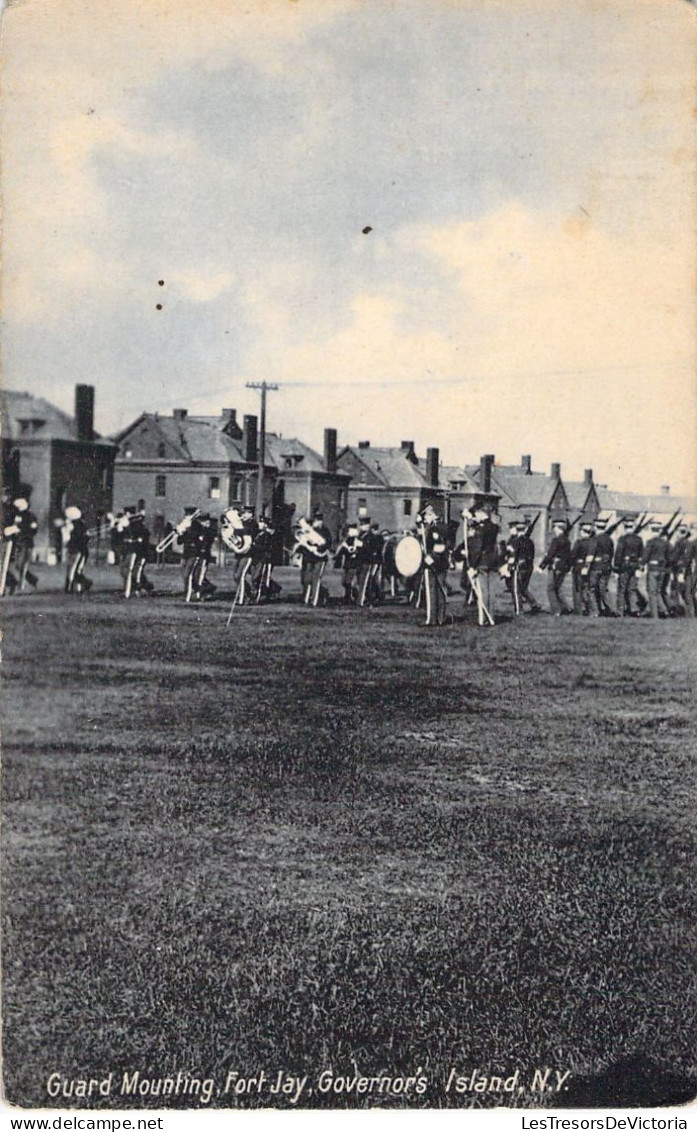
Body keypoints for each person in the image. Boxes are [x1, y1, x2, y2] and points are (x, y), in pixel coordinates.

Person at [453, 507, 499, 625]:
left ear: (480, 514)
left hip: (482, 563)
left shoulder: (480, 529)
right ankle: (491, 617)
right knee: (491, 592)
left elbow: (477, 548)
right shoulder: (494, 527)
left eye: (476, 515)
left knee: (483, 591)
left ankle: (483, 619)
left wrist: (472, 566)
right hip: (492, 562)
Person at [416, 503, 449, 626]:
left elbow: (440, 546)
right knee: (439, 590)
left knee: (432, 591)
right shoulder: (440, 527)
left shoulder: (436, 528)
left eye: (426, 517)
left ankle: (431, 619)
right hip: (441, 563)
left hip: (433, 562)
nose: (425, 520)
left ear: (431, 515)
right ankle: (440, 618)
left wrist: (431, 557)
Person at [501, 519, 542, 614]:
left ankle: (519, 609)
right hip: (528, 567)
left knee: (516, 589)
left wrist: (508, 566)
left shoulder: (515, 542)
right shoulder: (530, 541)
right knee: (523, 588)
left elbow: (513, 556)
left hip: (518, 568)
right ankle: (534, 604)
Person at [613, 515, 647, 617]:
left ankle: (620, 611)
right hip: (635, 567)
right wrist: (641, 568)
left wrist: (616, 568)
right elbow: (642, 555)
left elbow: (618, 555)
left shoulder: (622, 539)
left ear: (624, 526)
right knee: (632, 589)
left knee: (622, 589)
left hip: (624, 567)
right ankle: (634, 609)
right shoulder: (639, 539)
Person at [539, 518, 572, 615]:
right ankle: (566, 607)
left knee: (551, 588)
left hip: (555, 566)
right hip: (563, 567)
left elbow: (550, 554)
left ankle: (556, 610)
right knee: (558, 588)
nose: (554, 529)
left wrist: (542, 566)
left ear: (558, 528)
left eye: (555, 527)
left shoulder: (556, 540)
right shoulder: (567, 541)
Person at [297, 512, 332, 606]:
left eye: (318, 520)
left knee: (316, 578)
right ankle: (308, 598)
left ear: (321, 521)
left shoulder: (325, 531)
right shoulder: (310, 530)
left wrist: (318, 548)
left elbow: (328, 544)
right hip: (310, 557)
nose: (317, 522)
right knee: (307, 579)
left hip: (320, 558)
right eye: (316, 520)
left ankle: (314, 601)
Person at [641, 518, 670, 619]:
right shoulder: (665, 543)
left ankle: (655, 615)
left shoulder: (650, 542)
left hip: (653, 568)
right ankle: (664, 610)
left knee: (652, 592)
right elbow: (669, 557)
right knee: (657, 591)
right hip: (662, 569)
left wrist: (641, 565)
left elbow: (645, 556)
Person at [64, 506, 92, 594]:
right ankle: (78, 586)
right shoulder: (82, 525)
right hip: (80, 550)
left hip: (77, 550)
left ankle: (72, 586)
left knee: (72, 569)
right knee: (75, 569)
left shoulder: (72, 525)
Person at [13, 498, 39, 591]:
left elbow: (33, 530)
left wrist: (21, 530)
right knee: (18, 565)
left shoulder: (30, 516)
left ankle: (21, 585)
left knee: (22, 565)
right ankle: (33, 580)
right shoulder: (17, 516)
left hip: (27, 543)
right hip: (19, 542)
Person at [333, 523, 361, 605]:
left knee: (348, 581)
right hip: (347, 564)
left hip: (354, 564)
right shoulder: (347, 541)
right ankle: (352, 594)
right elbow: (342, 551)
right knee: (344, 581)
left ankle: (349, 597)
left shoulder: (357, 541)